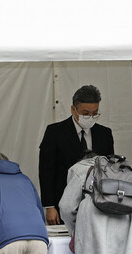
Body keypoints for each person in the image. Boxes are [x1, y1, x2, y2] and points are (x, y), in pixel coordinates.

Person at [39, 85, 114, 225]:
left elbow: (109, 170)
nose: (90, 117)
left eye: (95, 113)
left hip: (96, 205)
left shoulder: (105, 134)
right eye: (85, 113)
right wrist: (49, 206)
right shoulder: (55, 132)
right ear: (73, 109)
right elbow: (46, 171)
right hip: (63, 203)